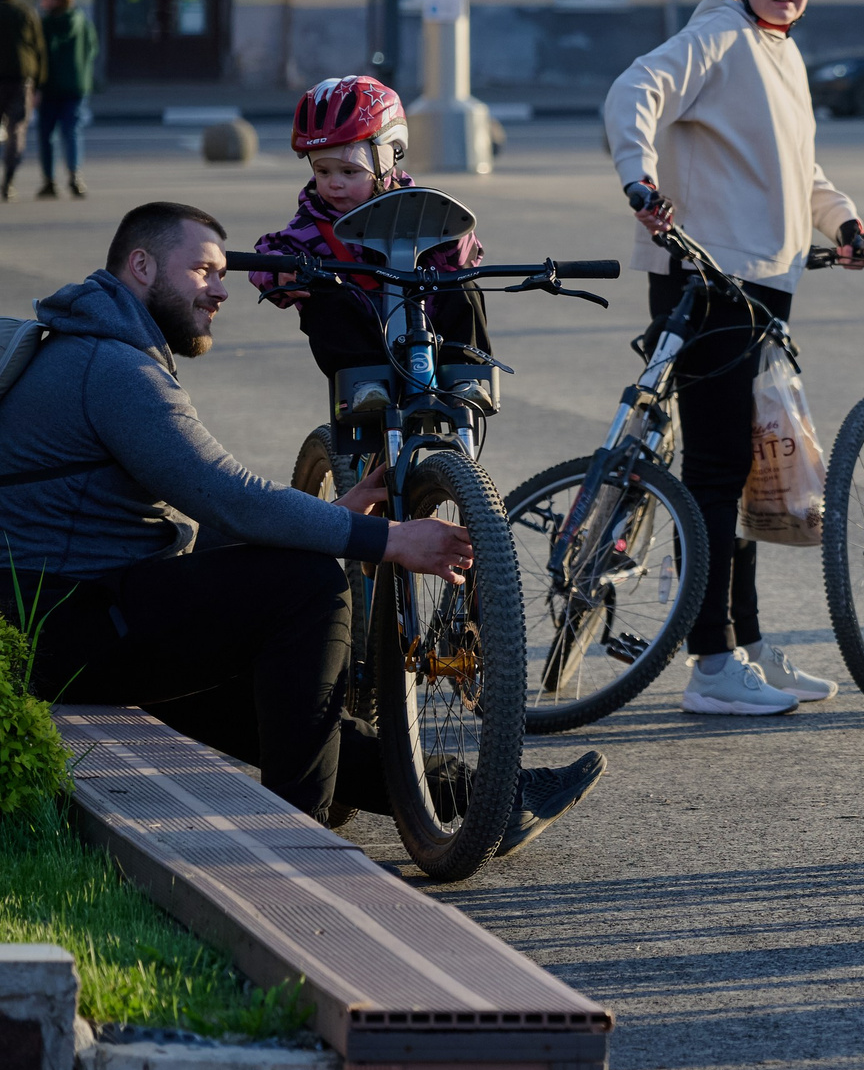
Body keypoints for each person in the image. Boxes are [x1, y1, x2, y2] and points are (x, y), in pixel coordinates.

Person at [2, 202, 603, 847]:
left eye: (223, 273)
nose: (222, 289)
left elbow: (210, 510)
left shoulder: (94, 344)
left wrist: (332, 517)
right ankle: (297, 839)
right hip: (64, 622)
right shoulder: (113, 367)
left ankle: (480, 797)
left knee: (281, 707)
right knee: (309, 588)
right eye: (203, 271)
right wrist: (392, 540)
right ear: (141, 266)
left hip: (56, 616)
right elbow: (228, 496)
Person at [606, 0, 856, 716]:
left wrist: (843, 222)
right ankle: (710, 663)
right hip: (708, 279)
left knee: (743, 472)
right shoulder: (717, 36)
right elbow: (633, 91)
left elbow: (800, 171)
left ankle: (744, 644)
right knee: (715, 471)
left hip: (763, 285)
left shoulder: (777, 51)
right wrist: (639, 181)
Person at [247, 76, 486, 379]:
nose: (335, 183)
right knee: (324, 298)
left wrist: (450, 234)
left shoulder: (423, 209)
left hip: (429, 329)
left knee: (463, 284)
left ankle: (468, 376)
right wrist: (278, 270)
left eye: (349, 171)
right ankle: (363, 386)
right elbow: (268, 253)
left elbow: (467, 256)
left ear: (385, 163)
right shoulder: (312, 223)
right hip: (361, 344)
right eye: (323, 171)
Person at [36, 0, 97, 200]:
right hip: (77, 86)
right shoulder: (82, 21)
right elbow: (92, 48)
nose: (43, 1)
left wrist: (36, 86)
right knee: (72, 132)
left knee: (47, 135)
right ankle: (75, 176)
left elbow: (39, 57)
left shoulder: (45, 24)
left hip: (49, 87)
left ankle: (49, 181)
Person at [0, 0, 43, 201]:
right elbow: (39, 49)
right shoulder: (25, 12)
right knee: (16, 129)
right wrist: (39, 83)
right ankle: (8, 182)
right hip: (20, 79)